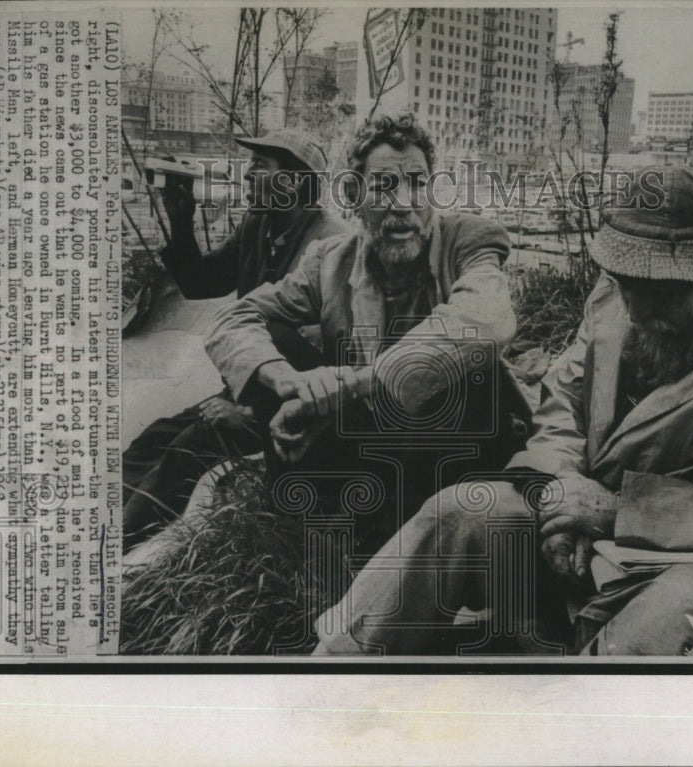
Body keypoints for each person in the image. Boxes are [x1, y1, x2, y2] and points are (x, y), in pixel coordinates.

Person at [311, 165, 693, 656]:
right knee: (459, 511)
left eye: (660, 291)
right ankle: (328, 671)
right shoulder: (616, 291)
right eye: (627, 283)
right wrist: (558, 490)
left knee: (665, 618)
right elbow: (563, 404)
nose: (637, 308)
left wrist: (620, 511)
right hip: (585, 535)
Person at [204, 114, 523, 556]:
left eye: (416, 183)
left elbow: (484, 319)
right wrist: (287, 381)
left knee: (473, 369)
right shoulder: (331, 259)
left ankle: (408, 542)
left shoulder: (467, 239)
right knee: (277, 336)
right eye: (382, 186)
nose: (402, 204)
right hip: (365, 436)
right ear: (354, 197)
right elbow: (232, 319)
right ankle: (300, 525)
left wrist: (351, 384)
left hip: (447, 452)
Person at [123, 128, 348, 549]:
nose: (247, 176)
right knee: (150, 440)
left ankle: (115, 547)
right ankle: (99, 529)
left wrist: (249, 413)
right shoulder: (259, 224)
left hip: (298, 411)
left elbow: (326, 359)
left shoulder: (333, 243)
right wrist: (180, 219)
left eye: (259, 168)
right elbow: (200, 282)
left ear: (293, 182)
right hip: (247, 387)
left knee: (183, 453)